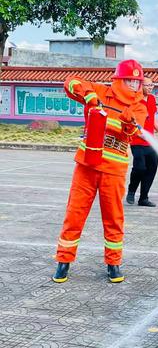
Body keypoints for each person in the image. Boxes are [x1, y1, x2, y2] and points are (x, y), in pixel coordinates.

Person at [52, 59, 147, 284]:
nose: (134, 85)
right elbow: (70, 82)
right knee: (74, 215)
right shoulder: (100, 91)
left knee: (114, 218)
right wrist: (88, 96)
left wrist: (128, 123)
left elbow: (134, 132)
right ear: (119, 80)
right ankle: (63, 261)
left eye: (137, 81)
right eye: (130, 81)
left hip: (114, 171)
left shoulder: (139, 106)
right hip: (86, 166)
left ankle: (113, 264)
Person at [126, 77, 158, 207]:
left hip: (150, 142)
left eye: (152, 85)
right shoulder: (134, 101)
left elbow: (152, 118)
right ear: (140, 86)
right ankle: (131, 191)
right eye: (148, 85)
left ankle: (143, 198)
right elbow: (130, 121)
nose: (150, 87)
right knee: (140, 167)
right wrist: (139, 133)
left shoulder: (152, 99)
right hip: (137, 141)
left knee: (153, 164)